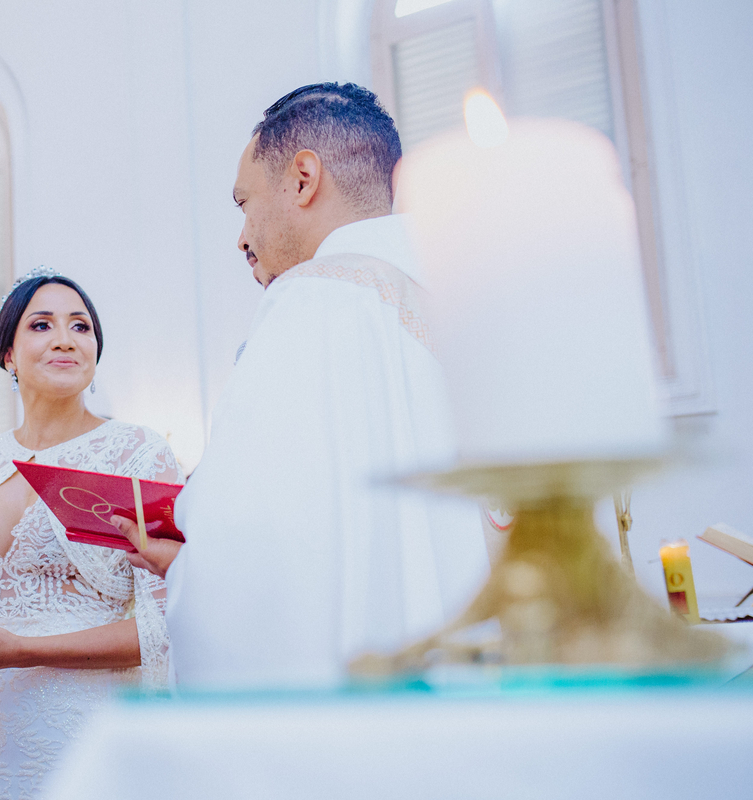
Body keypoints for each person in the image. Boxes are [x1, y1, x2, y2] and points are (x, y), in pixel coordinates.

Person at [114, 83, 488, 686]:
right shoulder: (463, 306)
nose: (241, 237)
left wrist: (188, 569)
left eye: (243, 203)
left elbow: (252, 564)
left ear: (303, 178)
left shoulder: (315, 301)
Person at [0, 268, 178, 799]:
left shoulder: (137, 454)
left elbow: (158, 631)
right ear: (8, 355)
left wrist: (21, 648)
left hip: (89, 729)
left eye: (80, 327)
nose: (64, 338)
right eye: (41, 325)